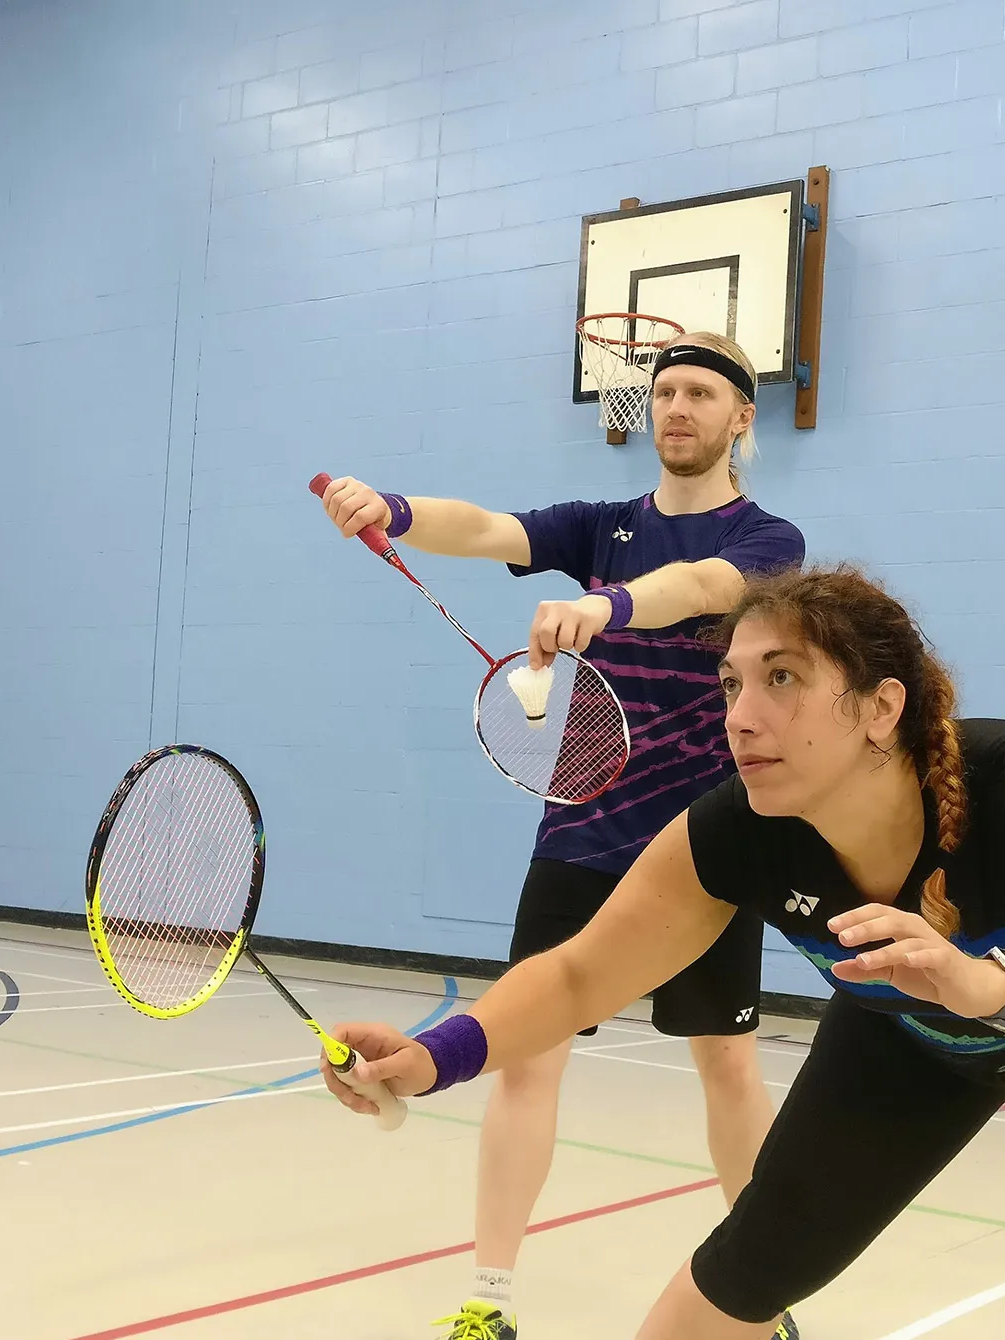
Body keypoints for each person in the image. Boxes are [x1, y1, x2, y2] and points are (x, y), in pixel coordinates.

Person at [321, 563, 1005, 1340]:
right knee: (748, 1268)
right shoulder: (736, 830)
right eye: (732, 684)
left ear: (881, 707)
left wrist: (985, 988)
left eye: (781, 679)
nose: (740, 714)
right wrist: (437, 1056)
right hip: (921, 1031)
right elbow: (577, 974)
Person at [318, 332, 805, 1340]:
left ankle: (764, 1297)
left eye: (700, 393)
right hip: (581, 831)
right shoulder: (599, 525)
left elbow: (704, 587)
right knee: (528, 1058)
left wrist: (607, 604)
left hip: (708, 845)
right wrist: (393, 509)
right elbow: (485, 526)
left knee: (726, 1064)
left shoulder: (768, 539)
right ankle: (488, 1298)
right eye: (664, 392)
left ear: (740, 416)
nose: (677, 407)